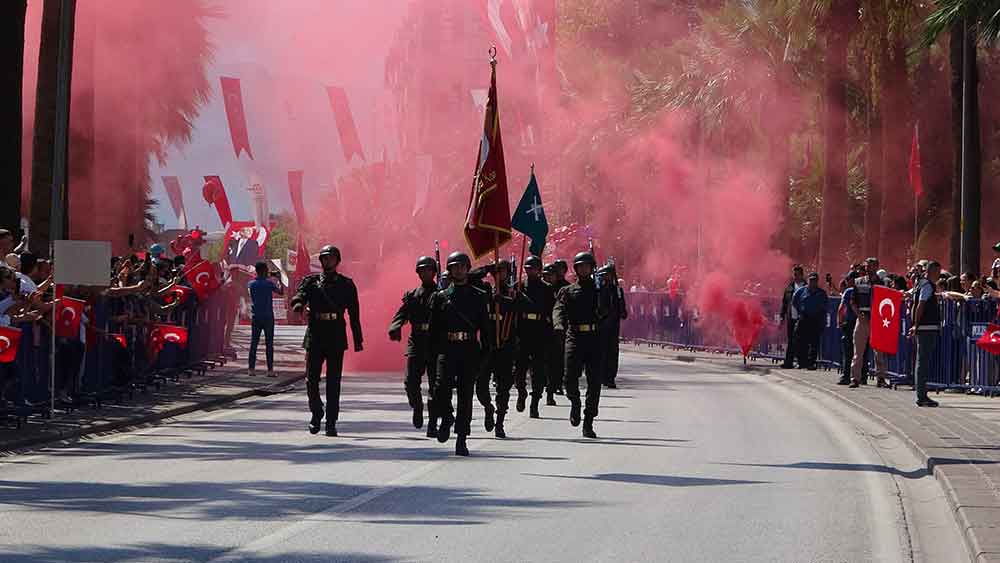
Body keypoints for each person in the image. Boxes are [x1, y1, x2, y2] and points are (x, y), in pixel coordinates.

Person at [290, 245, 363, 437]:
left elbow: (354, 314)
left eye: (331, 258)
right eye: (324, 258)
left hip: (336, 335)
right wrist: (298, 304)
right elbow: (300, 295)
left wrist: (358, 340)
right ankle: (316, 412)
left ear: (337, 260)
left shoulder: (347, 285)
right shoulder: (311, 282)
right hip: (315, 334)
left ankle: (331, 422)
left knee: (333, 381)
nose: (327, 261)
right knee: (311, 380)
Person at [429, 251, 489, 456]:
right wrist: (433, 353)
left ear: (468, 268)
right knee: (440, 389)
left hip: (470, 349)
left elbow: (486, 329)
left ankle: (462, 438)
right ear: (449, 270)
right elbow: (433, 329)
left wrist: (485, 356)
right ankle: (446, 418)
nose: (459, 270)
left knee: (465, 395)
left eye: (462, 266)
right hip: (447, 349)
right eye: (455, 266)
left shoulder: (479, 296)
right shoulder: (440, 297)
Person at [553, 252, 609, 439]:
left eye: (587, 266)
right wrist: (559, 325)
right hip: (574, 337)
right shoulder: (567, 291)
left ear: (592, 268)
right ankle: (575, 403)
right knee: (569, 377)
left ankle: (588, 421)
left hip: (594, 338)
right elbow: (558, 310)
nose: (584, 269)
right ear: (575, 269)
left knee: (594, 383)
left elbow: (607, 312)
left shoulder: (600, 290)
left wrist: (603, 292)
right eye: (580, 266)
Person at [388, 256, 440, 437]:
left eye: (429, 270)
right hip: (416, 342)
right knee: (410, 382)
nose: (426, 273)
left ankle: (433, 423)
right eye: (422, 270)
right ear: (418, 273)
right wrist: (395, 328)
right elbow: (401, 315)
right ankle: (417, 406)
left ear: (434, 272)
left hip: (435, 343)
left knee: (436, 386)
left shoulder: (441, 294)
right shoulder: (412, 296)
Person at [513, 256, 555, 421]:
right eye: (528, 268)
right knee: (519, 368)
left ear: (539, 270)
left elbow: (551, 311)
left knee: (538, 372)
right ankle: (521, 392)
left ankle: (535, 403)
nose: (530, 271)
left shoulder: (547, 289)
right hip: (522, 331)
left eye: (533, 268)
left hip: (540, 331)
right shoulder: (519, 286)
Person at [477, 261, 516, 436]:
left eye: (503, 271)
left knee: (503, 388)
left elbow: (525, 306)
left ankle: (500, 422)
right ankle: (488, 407)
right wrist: (486, 269)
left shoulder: (513, 292)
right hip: (486, 347)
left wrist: (505, 301)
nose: (500, 274)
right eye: (497, 271)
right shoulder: (484, 290)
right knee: (481, 387)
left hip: (505, 347)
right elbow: (467, 278)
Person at [850, 257, 887, 388]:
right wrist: (859, 315)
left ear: (877, 267)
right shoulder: (858, 282)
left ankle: (881, 378)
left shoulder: (882, 283)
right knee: (858, 352)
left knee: (879, 352)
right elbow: (853, 301)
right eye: (867, 265)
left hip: (877, 320)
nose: (869, 268)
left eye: (872, 265)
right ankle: (855, 378)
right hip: (862, 319)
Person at [909, 261, 941, 407]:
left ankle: (921, 393)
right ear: (932, 271)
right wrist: (916, 324)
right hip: (927, 328)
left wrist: (914, 324)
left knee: (921, 361)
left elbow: (915, 305)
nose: (939, 275)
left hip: (923, 327)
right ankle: (921, 396)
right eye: (938, 272)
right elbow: (920, 305)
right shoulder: (927, 285)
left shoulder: (919, 284)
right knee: (922, 362)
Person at [247, 261, 283, 377]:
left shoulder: (251, 284)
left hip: (256, 316)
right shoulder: (269, 284)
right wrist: (279, 279)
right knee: (269, 344)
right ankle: (270, 370)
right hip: (268, 317)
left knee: (254, 343)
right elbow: (281, 292)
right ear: (264, 271)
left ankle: (251, 369)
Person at [545, 259, 571, 400]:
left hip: (561, 328)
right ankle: (548, 384)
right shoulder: (544, 288)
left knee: (559, 358)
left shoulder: (567, 288)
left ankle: (557, 383)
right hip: (545, 327)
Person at [599, 266, 628, 388]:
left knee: (612, 352)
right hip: (601, 325)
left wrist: (622, 312)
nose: (606, 277)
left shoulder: (617, 290)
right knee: (601, 352)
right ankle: (602, 375)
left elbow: (622, 307)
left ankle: (610, 377)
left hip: (613, 326)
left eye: (608, 275)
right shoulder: (598, 289)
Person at [792, 273, 828, 370]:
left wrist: (822, 320)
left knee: (814, 343)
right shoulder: (801, 291)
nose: (813, 282)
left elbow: (825, 306)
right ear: (808, 280)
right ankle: (801, 362)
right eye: (811, 280)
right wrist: (801, 311)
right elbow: (795, 302)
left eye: (815, 280)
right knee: (801, 342)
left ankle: (811, 363)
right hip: (804, 318)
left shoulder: (822, 293)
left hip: (816, 319)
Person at [780, 265, 806, 368]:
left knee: (801, 340)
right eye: (794, 274)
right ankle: (788, 362)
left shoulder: (806, 287)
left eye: (797, 274)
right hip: (791, 317)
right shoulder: (789, 287)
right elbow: (784, 303)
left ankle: (802, 362)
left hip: (803, 317)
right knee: (791, 340)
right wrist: (782, 316)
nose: (795, 276)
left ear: (801, 275)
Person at [837, 273, 858, 385]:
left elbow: (841, 308)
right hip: (862, 322)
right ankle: (861, 377)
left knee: (848, 351)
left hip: (851, 323)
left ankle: (846, 376)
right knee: (860, 352)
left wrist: (839, 321)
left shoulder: (849, 291)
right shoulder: (863, 290)